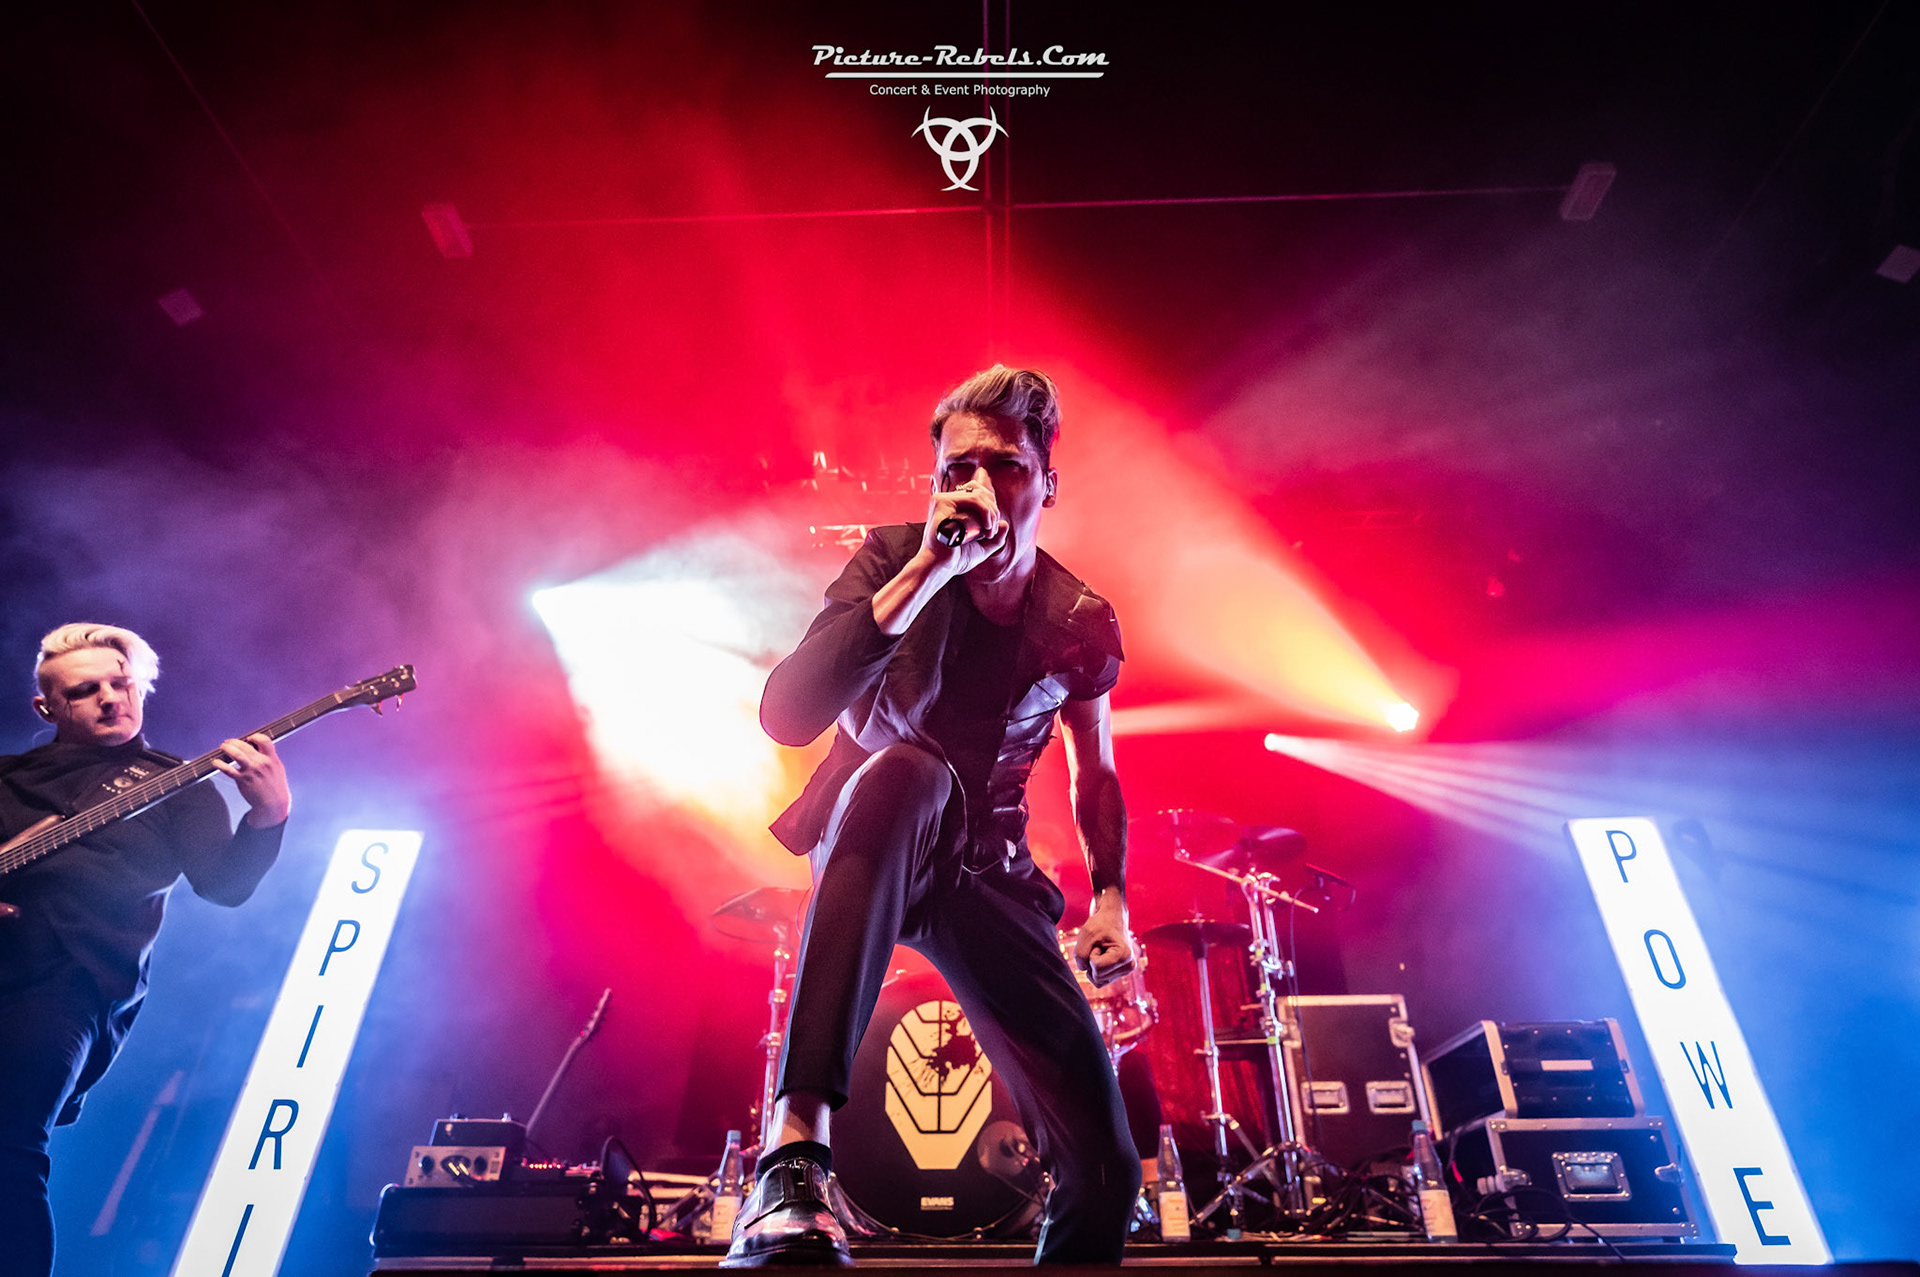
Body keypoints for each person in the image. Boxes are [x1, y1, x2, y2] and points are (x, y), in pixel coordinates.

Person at [727, 367, 1140, 1267]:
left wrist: (1111, 897)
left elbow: (1096, 768)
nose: (978, 489)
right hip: (877, 827)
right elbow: (787, 715)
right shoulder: (891, 561)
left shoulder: (1078, 620)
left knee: (1108, 1174)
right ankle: (793, 1156)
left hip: (984, 869)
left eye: (1005, 467)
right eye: (958, 470)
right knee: (911, 773)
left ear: (1048, 484)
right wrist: (929, 568)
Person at [0, 624, 291, 1277]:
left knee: (9, 1139)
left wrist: (268, 815)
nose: (110, 697)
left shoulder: (178, 786)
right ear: (47, 707)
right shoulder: (6, 780)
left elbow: (225, 887)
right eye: (85, 690)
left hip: (69, 985)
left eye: (120, 682)